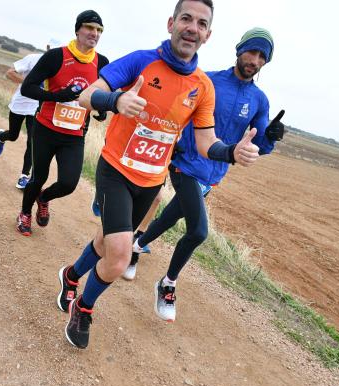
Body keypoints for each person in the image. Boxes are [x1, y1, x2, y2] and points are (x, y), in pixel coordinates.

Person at [57, 0, 261, 349]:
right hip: (116, 170)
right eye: (186, 18)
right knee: (120, 256)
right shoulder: (140, 61)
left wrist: (232, 152)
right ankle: (84, 308)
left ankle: (72, 275)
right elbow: (87, 96)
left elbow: (206, 142)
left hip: (151, 181)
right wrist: (116, 101)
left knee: (107, 241)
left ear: (207, 36)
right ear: (171, 23)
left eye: (200, 23)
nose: (191, 28)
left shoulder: (202, 87)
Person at [129, 27, 285, 322]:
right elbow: (176, 114)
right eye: (252, 51)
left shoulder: (259, 100)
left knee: (169, 217)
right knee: (198, 231)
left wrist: (271, 138)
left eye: (262, 56)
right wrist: (170, 144)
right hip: (185, 163)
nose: (255, 59)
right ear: (240, 50)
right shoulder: (207, 80)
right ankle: (167, 284)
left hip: (212, 174)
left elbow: (256, 146)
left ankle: (135, 246)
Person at [15, 10, 109, 236]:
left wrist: (102, 109)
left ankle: (44, 198)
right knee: (39, 177)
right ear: (77, 30)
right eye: (89, 28)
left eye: (98, 30)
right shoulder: (56, 56)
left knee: (69, 183)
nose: (94, 33)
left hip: (74, 135)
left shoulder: (101, 63)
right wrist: (58, 96)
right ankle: (25, 213)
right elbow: (28, 87)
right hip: (45, 129)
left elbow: (105, 92)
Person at [0, 45, 49, 189]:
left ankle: (24, 177)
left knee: (32, 141)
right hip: (20, 103)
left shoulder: (58, 66)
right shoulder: (32, 59)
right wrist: (30, 84)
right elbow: (9, 73)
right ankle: (1, 137)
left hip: (36, 107)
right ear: (47, 48)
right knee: (13, 135)